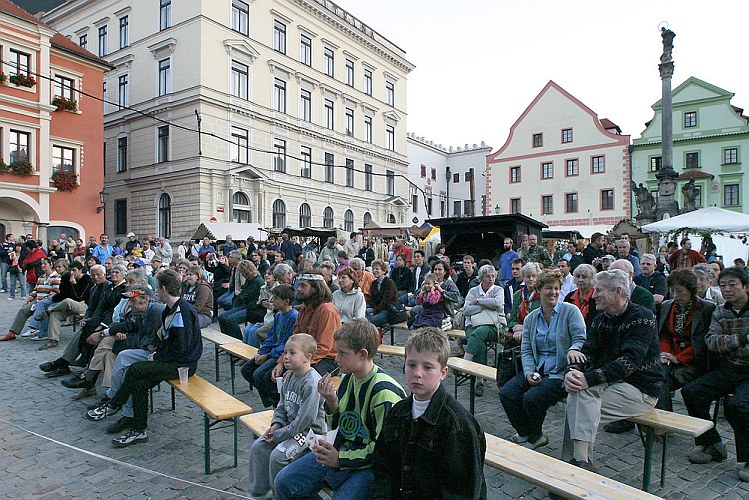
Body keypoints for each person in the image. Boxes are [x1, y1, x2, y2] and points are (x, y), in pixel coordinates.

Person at [274, 319, 406, 499]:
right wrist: (331, 402)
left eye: (342, 353)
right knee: (284, 481)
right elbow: (342, 426)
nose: (336, 359)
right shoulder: (348, 378)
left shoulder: (384, 393)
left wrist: (339, 458)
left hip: (369, 466)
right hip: (343, 451)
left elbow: (384, 450)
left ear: (362, 354)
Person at [562, 269, 664, 471]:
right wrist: (573, 371)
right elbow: (587, 352)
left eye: (599, 290)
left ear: (618, 291)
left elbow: (628, 362)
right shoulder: (601, 319)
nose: (595, 294)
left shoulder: (642, 318)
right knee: (578, 396)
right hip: (611, 383)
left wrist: (587, 379)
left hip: (642, 389)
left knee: (580, 402)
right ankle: (579, 463)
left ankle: (575, 467)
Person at [91, 270, 203, 448]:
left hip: (183, 366)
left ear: (164, 289)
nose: (156, 292)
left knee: (136, 369)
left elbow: (181, 349)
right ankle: (138, 429)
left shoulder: (181, 311)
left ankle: (114, 403)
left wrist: (156, 356)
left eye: (158, 288)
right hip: (172, 360)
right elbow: (166, 338)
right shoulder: (170, 308)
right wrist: (157, 348)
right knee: (139, 383)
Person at [370, 327, 487, 498]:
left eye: (428, 367)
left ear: (443, 373)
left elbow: (463, 491)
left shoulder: (458, 425)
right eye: (411, 365)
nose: (417, 374)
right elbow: (383, 468)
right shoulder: (398, 412)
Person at [500, 269, 586, 450]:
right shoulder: (532, 318)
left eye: (556, 288)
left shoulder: (570, 312)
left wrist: (572, 349)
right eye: (548, 288)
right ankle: (524, 431)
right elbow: (527, 349)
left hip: (560, 372)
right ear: (539, 290)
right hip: (538, 368)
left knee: (531, 399)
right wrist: (530, 371)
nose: (553, 292)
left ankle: (536, 435)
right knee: (507, 393)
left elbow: (580, 338)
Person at [681, 267, 749, 480]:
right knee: (692, 392)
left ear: (745, 286)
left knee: (737, 405)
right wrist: (742, 339)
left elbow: (722, 343)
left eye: (732, 284)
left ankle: (747, 459)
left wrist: (728, 343)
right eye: (723, 285)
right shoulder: (721, 311)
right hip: (728, 368)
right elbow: (712, 342)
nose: (727, 289)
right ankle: (711, 444)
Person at [248, 333, 327, 498]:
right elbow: (282, 406)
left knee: (278, 456)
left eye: (292, 353)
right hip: (289, 428)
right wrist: (275, 425)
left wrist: (279, 435)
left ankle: (281, 495)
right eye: (285, 353)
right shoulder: (289, 376)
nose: (286, 357)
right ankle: (261, 494)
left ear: (308, 357)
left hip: (310, 434)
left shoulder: (311, 382)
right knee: (259, 447)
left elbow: (304, 421)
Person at [654, 269, 715, 411]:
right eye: (673, 290)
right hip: (669, 355)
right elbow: (664, 335)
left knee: (660, 382)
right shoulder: (666, 306)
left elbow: (701, 342)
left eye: (680, 291)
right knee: (653, 377)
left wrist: (678, 358)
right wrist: (665, 353)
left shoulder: (706, 308)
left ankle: (664, 424)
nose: (675, 295)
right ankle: (661, 424)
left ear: (691, 290)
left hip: (692, 361)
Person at [241, 284, 298, 408]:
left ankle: (276, 402)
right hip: (272, 351)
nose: (272, 301)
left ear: (286, 301)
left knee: (261, 375)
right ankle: (270, 399)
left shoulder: (293, 317)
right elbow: (271, 337)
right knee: (246, 369)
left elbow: (287, 343)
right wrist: (261, 352)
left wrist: (268, 355)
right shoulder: (278, 315)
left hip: (279, 353)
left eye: (276, 298)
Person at [275, 272, 341, 377]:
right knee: (262, 374)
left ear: (316, 288)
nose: (299, 289)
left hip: (327, 359)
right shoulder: (304, 309)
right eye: (299, 285)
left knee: (299, 378)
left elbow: (323, 348)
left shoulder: (327, 310)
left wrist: (298, 365)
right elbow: (294, 339)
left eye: (303, 286)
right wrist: (281, 361)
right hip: (303, 355)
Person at [463, 265, 507, 396]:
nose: (491, 279)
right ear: (481, 278)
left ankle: (465, 363)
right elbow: (466, 310)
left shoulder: (499, 289)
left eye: (493, 276)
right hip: (472, 325)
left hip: (496, 326)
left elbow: (498, 304)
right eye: (488, 277)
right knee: (478, 340)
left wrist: (479, 302)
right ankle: (479, 380)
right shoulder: (473, 291)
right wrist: (483, 307)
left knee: (478, 334)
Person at [1, 258, 61, 342]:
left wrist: (43, 299)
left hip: (48, 301)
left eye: (45, 264)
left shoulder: (56, 277)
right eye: (42, 264)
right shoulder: (41, 277)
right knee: (23, 310)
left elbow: (56, 292)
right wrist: (30, 297)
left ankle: (34, 327)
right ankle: (12, 332)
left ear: (51, 265)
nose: (42, 266)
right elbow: (36, 290)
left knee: (41, 306)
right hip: (38, 300)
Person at [218, 260, 265, 340]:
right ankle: (227, 340)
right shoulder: (249, 280)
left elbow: (247, 296)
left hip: (252, 307)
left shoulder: (257, 281)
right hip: (245, 305)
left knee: (231, 320)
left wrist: (240, 295)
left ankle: (238, 342)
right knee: (222, 317)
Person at [563, 264, 598, 330]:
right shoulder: (569, 297)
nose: (580, 280)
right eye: (578, 276)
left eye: (584, 277)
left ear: (591, 279)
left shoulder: (596, 298)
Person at [366, 260, 399, 327]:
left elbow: (386, 301)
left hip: (387, 309)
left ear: (383, 271)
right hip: (376, 308)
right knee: (363, 314)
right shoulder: (374, 283)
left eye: (377, 269)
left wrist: (375, 311)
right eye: (373, 269)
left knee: (370, 321)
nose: (374, 271)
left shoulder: (389, 283)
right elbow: (372, 298)